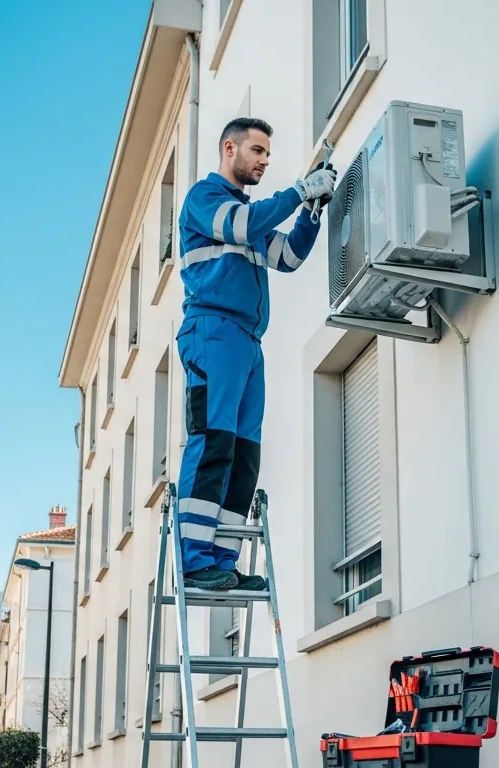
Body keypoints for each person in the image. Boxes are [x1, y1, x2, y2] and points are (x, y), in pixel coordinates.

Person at [173, 117, 337, 591]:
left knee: (244, 455)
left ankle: (222, 560)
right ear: (230, 148)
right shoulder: (206, 199)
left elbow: (287, 258)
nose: (265, 160)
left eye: (268, 154)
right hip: (213, 331)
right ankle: (194, 561)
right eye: (258, 151)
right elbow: (245, 226)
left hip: (246, 341)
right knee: (213, 442)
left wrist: (312, 211)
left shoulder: (249, 214)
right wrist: (299, 189)